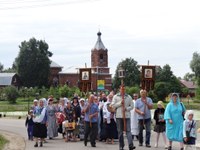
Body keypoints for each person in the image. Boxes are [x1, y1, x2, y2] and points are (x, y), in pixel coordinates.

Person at [111, 86, 135, 150]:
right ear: (119, 89)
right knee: (120, 132)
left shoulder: (128, 97)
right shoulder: (116, 96)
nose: (123, 90)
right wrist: (120, 103)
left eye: (124, 89)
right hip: (119, 116)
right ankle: (121, 146)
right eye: (121, 89)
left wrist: (127, 108)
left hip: (126, 116)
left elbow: (132, 106)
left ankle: (130, 145)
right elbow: (112, 105)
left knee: (128, 131)